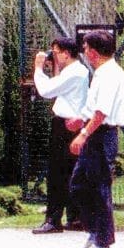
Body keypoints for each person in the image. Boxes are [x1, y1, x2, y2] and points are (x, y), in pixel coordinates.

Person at [67, 30, 124, 248]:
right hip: (96, 133)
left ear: (93, 51)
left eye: (85, 48)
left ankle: (103, 242)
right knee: (80, 184)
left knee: (98, 187)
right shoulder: (102, 73)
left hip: (101, 136)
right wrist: (81, 119)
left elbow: (102, 112)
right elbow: (94, 108)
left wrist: (83, 133)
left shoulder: (111, 74)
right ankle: (94, 232)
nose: (83, 52)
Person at [30, 36, 89, 234]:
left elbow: (46, 90)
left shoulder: (74, 74)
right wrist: (54, 67)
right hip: (71, 123)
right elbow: (58, 85)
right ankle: (76, 217)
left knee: (57, 172)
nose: (53, 55)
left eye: (55, 52)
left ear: (66, 53)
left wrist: (38, 68)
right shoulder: (76, 71)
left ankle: (53, 219)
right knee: (72, 171)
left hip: (65, 125)